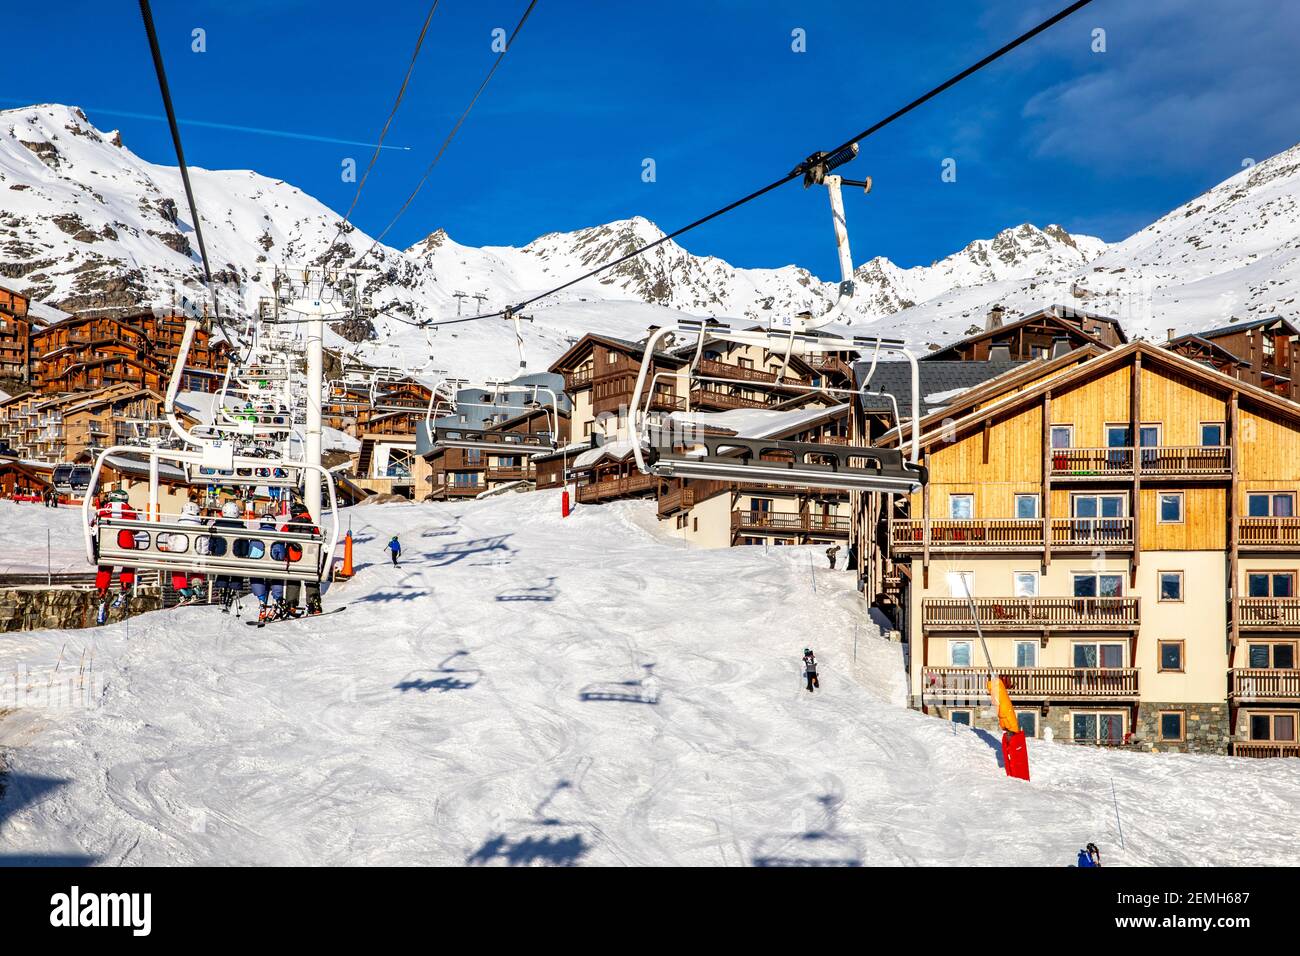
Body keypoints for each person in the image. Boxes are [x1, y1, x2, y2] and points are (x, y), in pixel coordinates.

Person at [93, 489, 138, 618]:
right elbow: (136, 529)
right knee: (130, 561)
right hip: (125, 547)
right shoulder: (131, 512)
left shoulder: (102, 511)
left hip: (107, 547)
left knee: (105, 568)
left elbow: (94, 525)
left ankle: (102, 595)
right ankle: (124, 588)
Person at [279, 501, 323, 617]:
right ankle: (314, 603)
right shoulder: (312, 527)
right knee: (311, 580)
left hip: (294, 558)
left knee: (293, 580)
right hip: (309, 559)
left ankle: (291, 605)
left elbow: (281, 536)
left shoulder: (289, 525)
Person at [249, 507, 285, 622]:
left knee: (256, 576)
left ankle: (262, 603)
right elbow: (281, 555)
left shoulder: (255, 536)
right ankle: (275, 603)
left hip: (259, 565)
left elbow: (252, 554)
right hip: (274, 565)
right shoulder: (278, 537)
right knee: (277, 576)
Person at [212, 500, 247, 613]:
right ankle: (232, 593)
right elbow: (245, 546)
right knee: (236, 573)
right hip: (236, 559)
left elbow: (211, 543)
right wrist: (243, 555)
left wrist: (213, 551)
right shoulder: (242, 529)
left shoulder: (216, 526)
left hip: (220, 558)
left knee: (223, 573)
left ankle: (222, 594)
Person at [170, 501, 207, 606]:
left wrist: (172, 551)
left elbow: (171, 540)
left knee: (177, 568)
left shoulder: (177, 525)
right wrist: (202, 555)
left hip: (180, 555)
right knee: (199, 567)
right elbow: (204, 544)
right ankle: (197, 586)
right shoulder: (201, 527)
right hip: (194, 556)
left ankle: (182, 589)